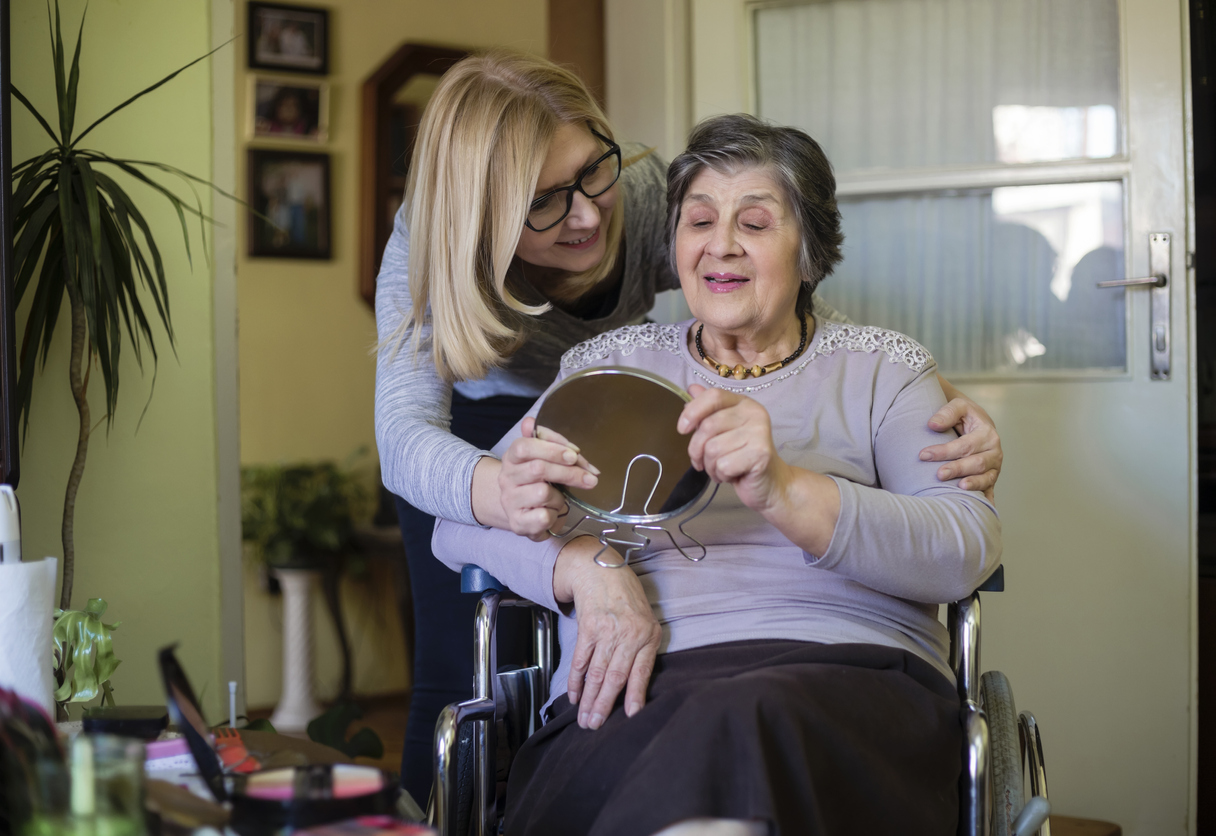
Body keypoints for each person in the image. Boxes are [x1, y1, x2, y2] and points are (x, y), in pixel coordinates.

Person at [374, 50, 1003, 800]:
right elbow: (416, 454)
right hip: (532, 446)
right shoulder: (603, 366)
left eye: (591, 176)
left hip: (836, 682)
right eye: (699, 222)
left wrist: (893, 391)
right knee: (454, 668)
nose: (585, 214)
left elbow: (766, 289)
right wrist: (582, 563)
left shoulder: (876, 366)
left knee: (748, 717)